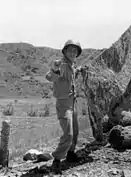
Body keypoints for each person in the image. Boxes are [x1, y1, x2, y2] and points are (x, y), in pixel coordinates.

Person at [45, 40, 82, 172]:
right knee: (69, 134)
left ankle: (71, 153)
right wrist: (54, 69)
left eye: (75, 51)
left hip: (73, 102)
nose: (72, 52)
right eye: (70, 50)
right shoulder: (62, 64)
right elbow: (49, 76)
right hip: (64, 104)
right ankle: (57, 160)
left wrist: (78, 71)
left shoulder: (72, 66)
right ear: (65, 51)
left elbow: (69, 79)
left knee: (76, 131)